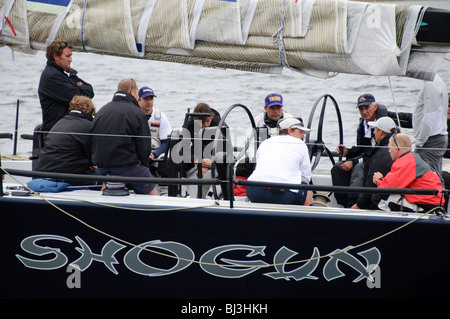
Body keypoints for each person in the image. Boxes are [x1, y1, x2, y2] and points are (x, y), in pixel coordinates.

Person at [331, 93, 411, 207]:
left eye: (367, 108)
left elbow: (377, 154)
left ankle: (355, 204)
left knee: (359, 167)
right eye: (361, 109)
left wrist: (354, 162)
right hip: (369, 157)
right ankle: (345, 204)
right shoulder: (362, 126)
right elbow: (363, 149)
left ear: (375, 107)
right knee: (338, 168)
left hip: (380, 160)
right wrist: (348, 152)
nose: (364, 111)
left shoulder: (386, 123)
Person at [91, 79, 158, 195]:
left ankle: (101, 202)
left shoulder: (102, 111)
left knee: (107, 180)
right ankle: (158, 210)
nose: (138, 97)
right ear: (132, 92)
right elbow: (144, 148)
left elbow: (92, 139)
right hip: (126, 167)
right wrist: (144, 167)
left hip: (102, 167)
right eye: (137, 94)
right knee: (150, 188)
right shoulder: (137, 113)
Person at [246, 117, 312, 206]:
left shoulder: (265, 142)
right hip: (284, 195)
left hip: (254, 191)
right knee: (306, 188)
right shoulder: (300, 144)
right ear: (289, 131)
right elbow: (306, 177)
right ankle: (306, 219)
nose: (303, 136)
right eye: (300, 132)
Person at [373, 133, 444, 212]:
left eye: (389, 148)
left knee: (377, 196)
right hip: (433, 202)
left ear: (396, 149)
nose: (389, 151)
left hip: (426, 206)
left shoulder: (405, 162)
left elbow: (388, 187)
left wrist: (378, 179)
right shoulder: (412, 158)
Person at [36, 95, 96, 186]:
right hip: (69, 174)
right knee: (101, 174)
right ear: (91, 109)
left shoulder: (60, 122)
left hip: (45, 170)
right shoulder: (89, 125)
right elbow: (93, 156)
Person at [38, 40, 94, 133]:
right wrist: (78, 87)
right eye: (67, 56)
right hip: (57, 132)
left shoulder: (66, 73)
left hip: (70, 128)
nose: (71, 59)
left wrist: (77, 87)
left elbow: (90, 91)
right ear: (56, 56)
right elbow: (77, 98)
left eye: (71, 56)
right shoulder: (51, 76)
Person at [183, 103, 229, 198]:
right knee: (176, 161)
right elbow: (184, 151)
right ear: (195, 120)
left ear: (211, 117)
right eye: (202, 123)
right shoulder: (190, 124)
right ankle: (181, 193)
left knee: (223, 164)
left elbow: (225, 151)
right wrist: (198, 161)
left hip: (215, 153)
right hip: (197, 152)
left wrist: (208, 165)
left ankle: (214, 194)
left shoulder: (220, 125)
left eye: (208, 121)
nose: (206, 125)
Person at [351, 117, 397, 210]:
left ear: (380, 132)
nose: (373, 132)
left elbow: (371, 184)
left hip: (379, 204)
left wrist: (358, 206)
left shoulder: (382, 153)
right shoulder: (392, 149)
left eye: (375, 130)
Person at [413, 74, 448, 183]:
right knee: (435, 174)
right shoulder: (436, 82)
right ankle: (440, 198)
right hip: (435, 137)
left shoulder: (431, 85)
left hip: (431, 139)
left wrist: (420, 141)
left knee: (430, 176)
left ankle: (437, 199)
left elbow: (429, 116)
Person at [138, 86, 172, 178]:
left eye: (151, 99)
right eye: (145, 99)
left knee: (167, 162)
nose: (149, 102)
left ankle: (165, 186)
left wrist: (154, 155)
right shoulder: (134, 115)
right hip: (138, 154)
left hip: (156, 153)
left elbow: (166, 142)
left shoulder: (161, 117)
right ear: (139, 100)